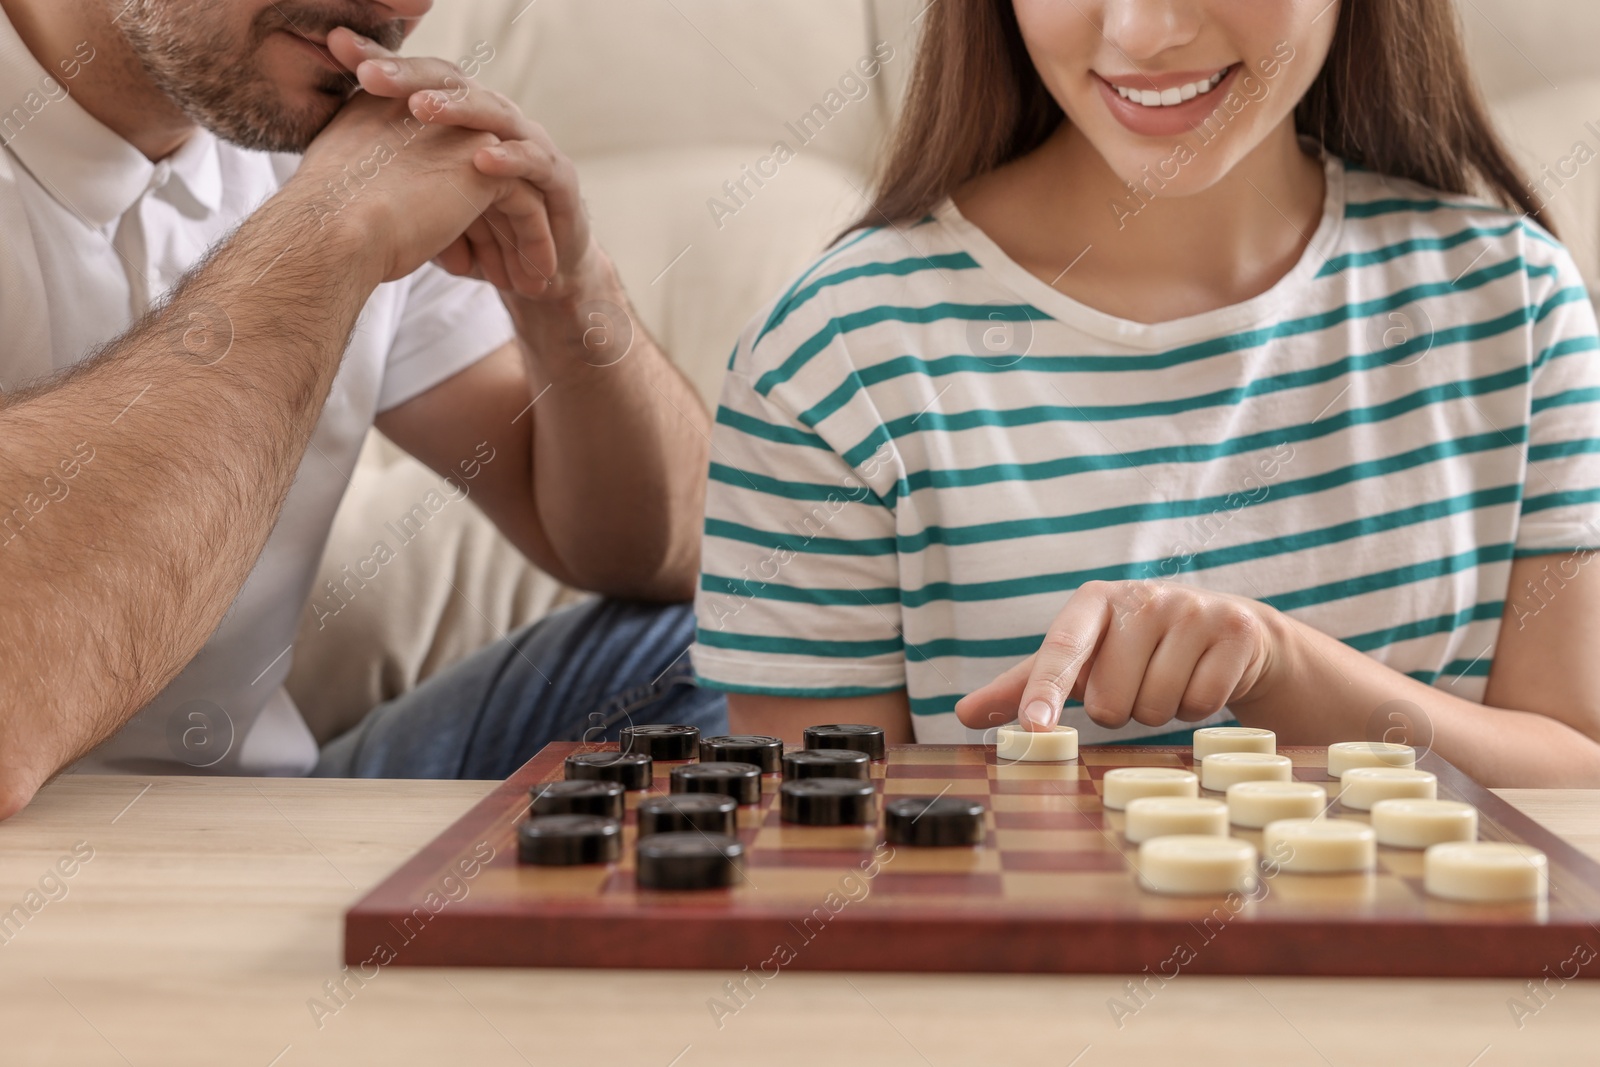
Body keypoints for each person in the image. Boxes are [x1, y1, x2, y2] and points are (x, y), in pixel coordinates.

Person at [691, 0, 1600, 787]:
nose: (1143, 30)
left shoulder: (1509, 301)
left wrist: (1286, 674)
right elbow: (820, 867)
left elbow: (1581, 776)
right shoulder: (827, 359)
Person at [0, 0, 726, 818]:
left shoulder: (338, 148)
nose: (409, 7)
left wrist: (568, 289)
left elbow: (660, 549)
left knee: (732, 653)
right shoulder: (345, 193)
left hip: (267, 816)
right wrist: (324, 238)